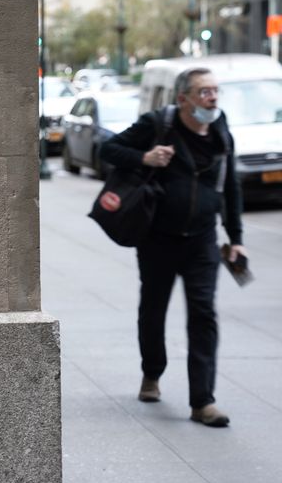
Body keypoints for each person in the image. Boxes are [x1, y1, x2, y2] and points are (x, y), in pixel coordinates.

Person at [100, 67, 246, 427]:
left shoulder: (221, 133)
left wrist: (236, 238)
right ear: (183, 99)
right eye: (203, 92)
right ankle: (152, 373)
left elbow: (230, 188)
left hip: (202, 240)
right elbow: (109, 148)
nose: (212, 98)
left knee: (203, 315)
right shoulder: (157, 124)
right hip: (158, 238)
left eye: (215, 91)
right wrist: (144, 158)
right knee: (154, 309)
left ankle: (202, 401)